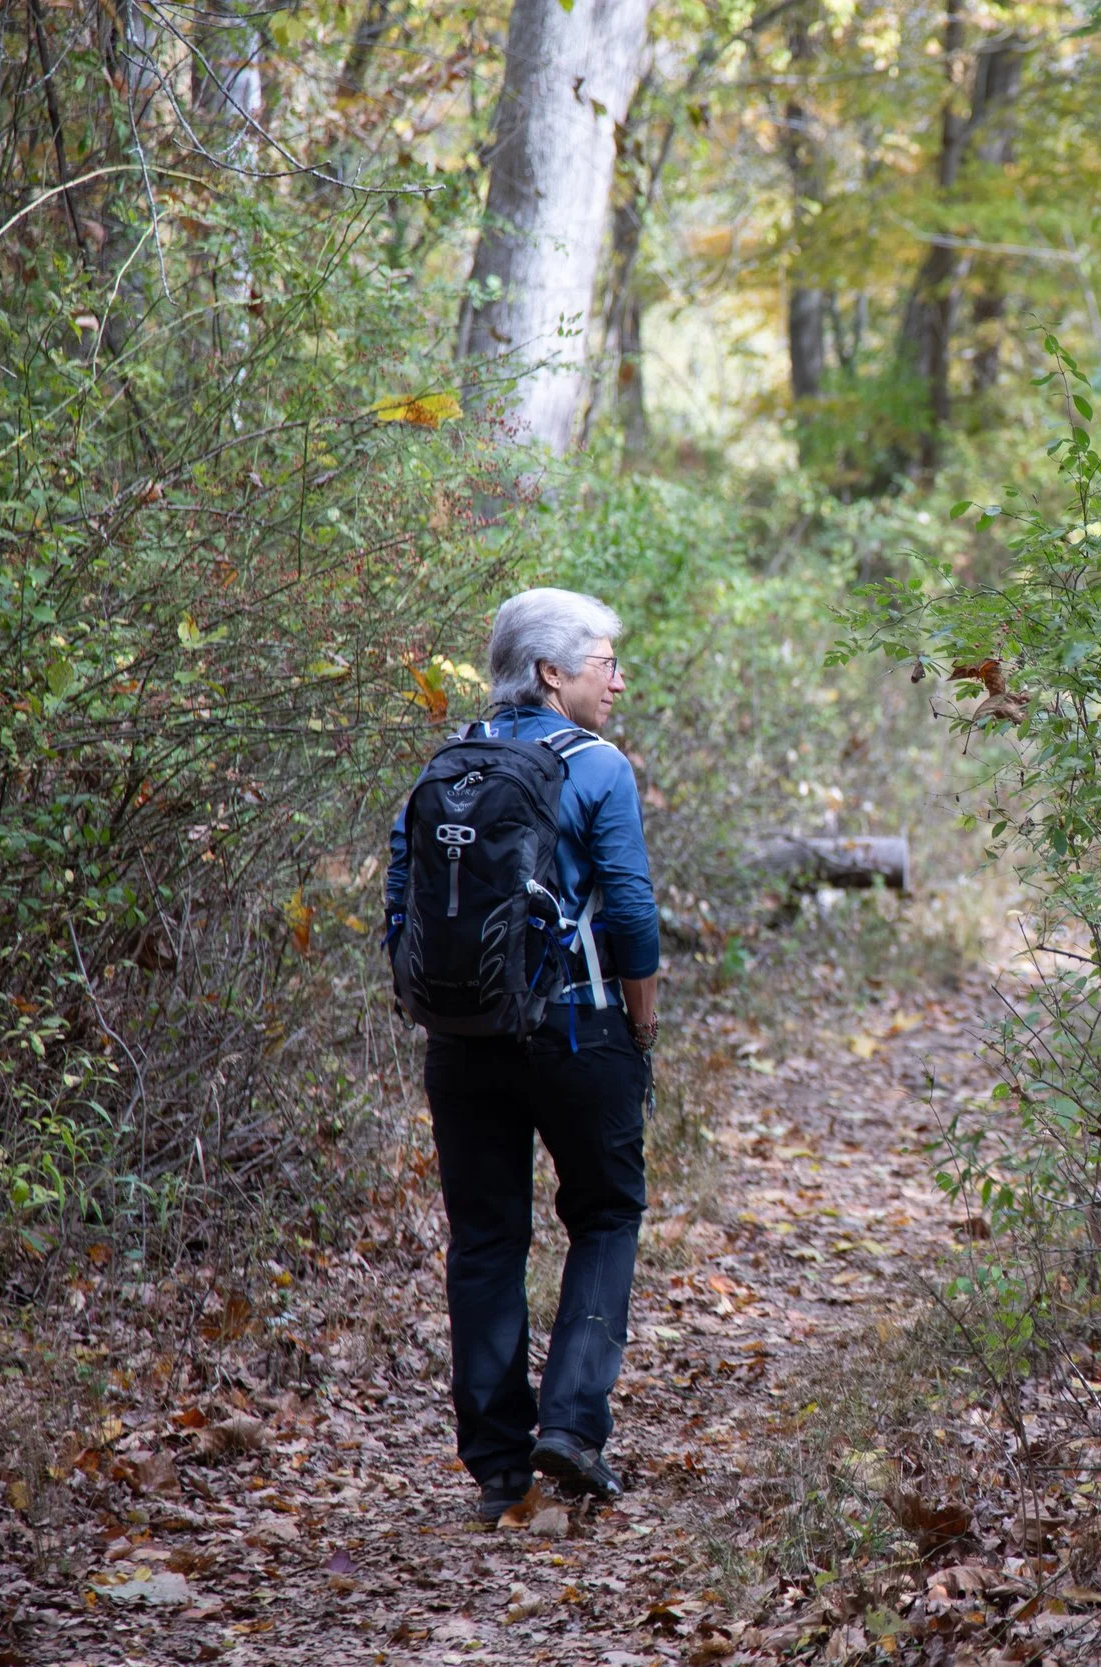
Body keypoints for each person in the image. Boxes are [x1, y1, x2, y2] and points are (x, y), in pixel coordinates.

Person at [386, 587, 661, 1524]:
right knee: (607, 1212)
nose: (617, 681)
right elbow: (630, 909)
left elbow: (400, 898)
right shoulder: (599, 766)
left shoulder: (447, 762)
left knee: (486, 1238)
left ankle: (500, 1463)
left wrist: (436, 1008)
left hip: (462, 1042)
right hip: (578, 1031)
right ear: (551, 672)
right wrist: (641, 1022)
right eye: (605, 663)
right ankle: (572, 1428)